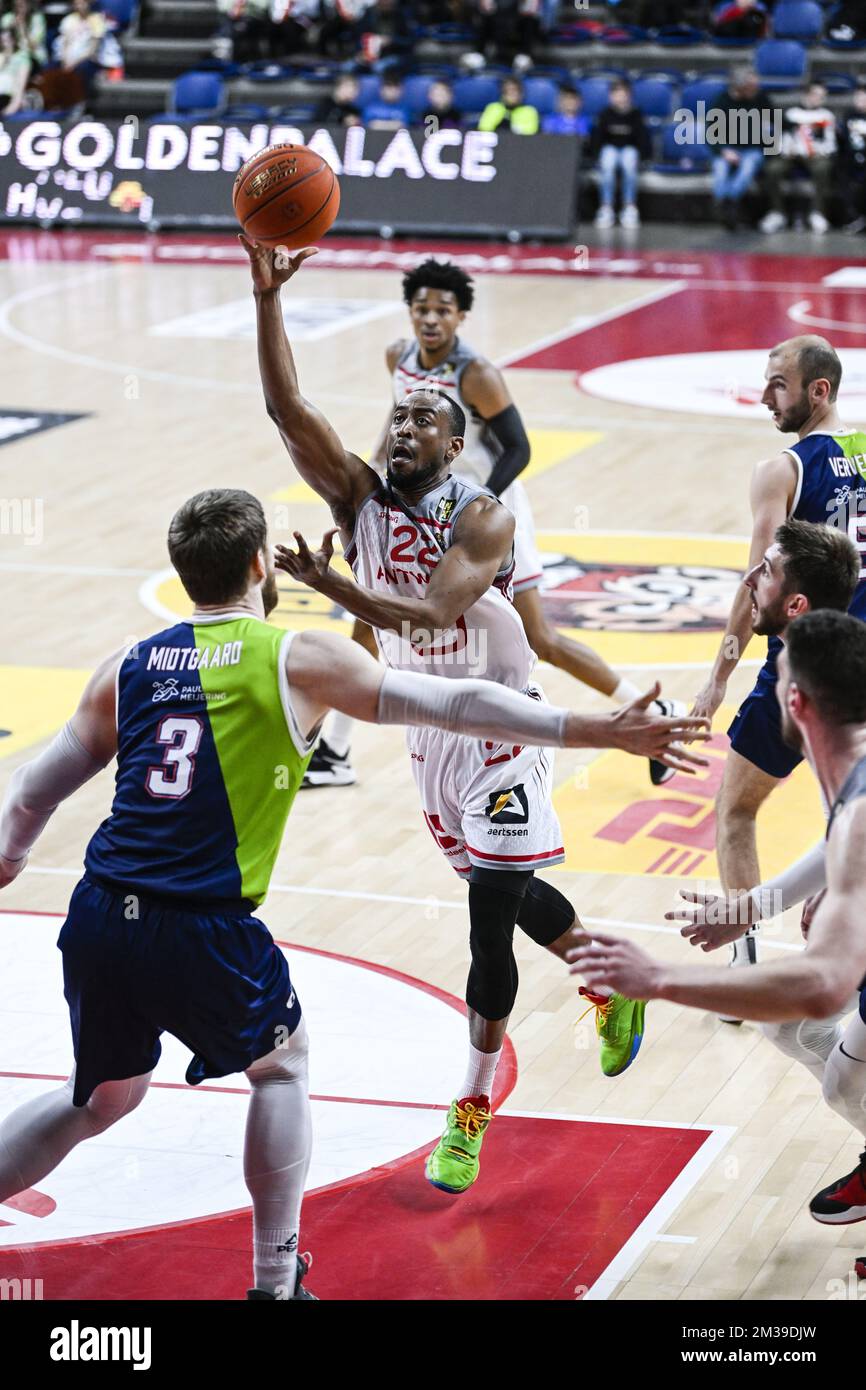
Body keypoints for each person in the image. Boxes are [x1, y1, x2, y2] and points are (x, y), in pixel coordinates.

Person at [0, 485, 704, 1288]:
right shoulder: (296, 656)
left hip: (99, 915)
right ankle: (275, 1278)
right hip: (201, 925)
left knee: (97, 1101)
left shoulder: (126, 665)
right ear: (263, 564)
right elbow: (461, 702)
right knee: (282, 1066)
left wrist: (12, 859)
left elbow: (30, 792)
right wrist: (597, 730)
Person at [242, 235, 710, 1192]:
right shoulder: (360, 494)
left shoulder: (484, 516)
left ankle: (468, 1111)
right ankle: (609, 977)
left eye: (424, 417)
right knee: (505, 892)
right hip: (430, 730)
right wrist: (266, 300)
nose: (403, 424)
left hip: (500, 725)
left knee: (485, 926)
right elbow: (287, 407)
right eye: (398, 414)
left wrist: (334, 585)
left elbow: (431, 613)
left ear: (455, 446)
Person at [304, 257, 685, 793]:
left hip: (484, 515)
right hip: (418, 506)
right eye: (422, 309)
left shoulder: (476, 374)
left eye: (443, 310)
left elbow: (520, 448)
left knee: (540, 638)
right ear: (409, 312)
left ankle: (647, 706)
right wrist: (380, 483)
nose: (431, 319)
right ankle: (337, 751)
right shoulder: (398, 357)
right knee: (372, 618)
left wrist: (476, 503)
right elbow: (395, 422)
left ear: (461, 316)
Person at [569, 608, 866, 1226]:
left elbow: (821, 984)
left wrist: (659, 981)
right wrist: (753, 908)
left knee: (834, 1064)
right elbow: (839, 842)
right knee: (785, 1029)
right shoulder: (848, 759)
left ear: (797, 701)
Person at [691, 336, 866, 1013]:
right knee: (848, 809)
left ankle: (743, 971)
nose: (765, 396)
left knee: (736, 810)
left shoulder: (783, 468)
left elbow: (755, 582)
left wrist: (716, 680)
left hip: (805, 662)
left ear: (817, 391)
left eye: (778, 384)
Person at [760, 83, 837, 236]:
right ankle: (777, 212)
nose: (820, 99)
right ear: (807, 94)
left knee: (823, 168)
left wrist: (818, 151)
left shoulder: (826, 116)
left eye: (823, 96)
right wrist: (786, 150)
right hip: (791, 154)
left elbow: (830, 144)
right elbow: (782, 138)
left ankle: (817, 212)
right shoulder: (791, 114)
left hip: (815, 155)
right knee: (772, 169)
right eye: (817, 95)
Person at [711, 67, 772, 231]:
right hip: (727, 148)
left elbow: (777, 122)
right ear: (740, 88)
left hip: (752, 149)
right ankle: (723, 206)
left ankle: (729, 202)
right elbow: (711, 134)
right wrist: (724, 151)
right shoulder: (721, 102)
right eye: (752, 87)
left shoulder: (761, 99)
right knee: (720, 170)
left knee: (748, 166)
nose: (756, 90)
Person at [589, 79, 650, 230]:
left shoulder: (636, 114)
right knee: (608, 162)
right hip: (610, 149)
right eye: (616, 94)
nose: (620, 98)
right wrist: (596, 155)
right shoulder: (604, 114)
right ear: (610, 96)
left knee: (629, 162)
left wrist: (643, 156)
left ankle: (629, 207)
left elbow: (642, 138)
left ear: (629, 96)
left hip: (629, 150)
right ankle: (606, 207)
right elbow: (598, 138)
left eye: (623, 94)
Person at [836, 82, 866, 234]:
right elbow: (843, 141)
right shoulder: (849, 115)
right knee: (841, 173)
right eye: (858, 97)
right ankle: (854, 217)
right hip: (850, 159)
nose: (860, 101)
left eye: (863, 98)